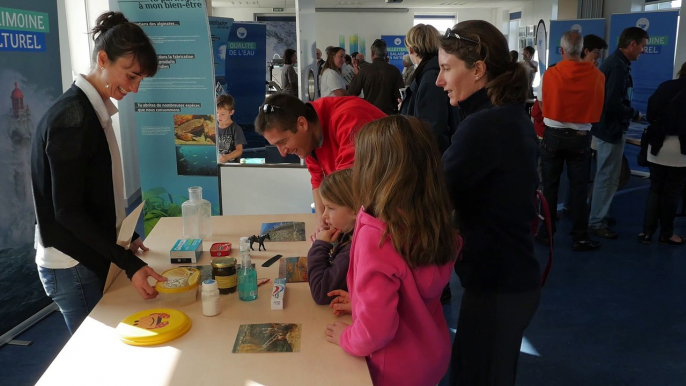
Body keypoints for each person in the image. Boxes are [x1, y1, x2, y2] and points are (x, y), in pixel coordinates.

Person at [30, 11, 166, 334]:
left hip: (85, 255)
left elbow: (90, 191)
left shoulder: (90, 111)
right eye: (130, 76)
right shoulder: (72, 119)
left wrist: (122, 238)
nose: (134, 88)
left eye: (139, 81)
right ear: (103, 59)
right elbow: (67, 212)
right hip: (72, 263)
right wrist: (128, 263)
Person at [436, 21, 541, 384]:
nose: (439, 80)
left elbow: (428, 195)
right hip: (505, 282)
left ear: (478, 69)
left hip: (500, 287)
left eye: (447, 68)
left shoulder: (485, 126)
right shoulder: (506, 116)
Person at [324, 115, 460, 386]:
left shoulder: (378, 236)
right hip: (430, 356)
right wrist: (362, 305)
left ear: (372, 170)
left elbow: (376, 331)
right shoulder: (432, 219)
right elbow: (410, 296)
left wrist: (346, 336)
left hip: (392, 370)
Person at [254, 93, 385, 230]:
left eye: (283, 142)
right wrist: (321, 221)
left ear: (302, 124)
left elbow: (346, 186)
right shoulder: (310, 139)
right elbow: (318, 179)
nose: (283, 152)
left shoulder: (348, 116)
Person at [534, 30, 605, 252]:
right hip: (580, 138)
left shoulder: (550, 74)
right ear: (583, 50)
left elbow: (542, 106)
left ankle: (547, 234)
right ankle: (580, 237)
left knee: (550, 187)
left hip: (553, 136)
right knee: (579, 188)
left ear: (562, 50)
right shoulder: (597, 76)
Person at [589, 26, 648, 239]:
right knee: (607, 177)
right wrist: (633, 114)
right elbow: (612, 104)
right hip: (610, 130)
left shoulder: (617, 63)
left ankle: (598, 214)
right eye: (642, 46)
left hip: (606, 128)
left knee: (607, 176)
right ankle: (596, 221)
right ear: (632, 44)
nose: (643, 50)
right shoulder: (617, 67)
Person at [637, 61, 686, 245]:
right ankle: (667, 234)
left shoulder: (665, 86)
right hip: (680, 150)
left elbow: (651, 115)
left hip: (656, 145)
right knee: (672, 193)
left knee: (655, 189)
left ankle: (647, 232)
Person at [401, 23, 461, 154]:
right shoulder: (434, 70)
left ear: (411, 49)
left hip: (432, 156)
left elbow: (433, 128)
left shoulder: (431, 76)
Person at [307, 169, 355, 305]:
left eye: (330, 208)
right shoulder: (348, 233)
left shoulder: (352, 250)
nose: (324, 216)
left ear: (356, 211)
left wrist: (319, 246)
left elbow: (321, 292)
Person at [348, 39, 404, 115]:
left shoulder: (364, 71)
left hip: (370, 113)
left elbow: (352, 92)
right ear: (386, 54)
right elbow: (400, 95)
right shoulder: (394, 71)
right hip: (389, 115)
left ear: (372, 53)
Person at [216, 94, 247, 163]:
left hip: (231, 168)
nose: (219, 116)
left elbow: (239, 150)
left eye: (223, 114)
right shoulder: (212, 127)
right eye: (217, 112)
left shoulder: (236, 129)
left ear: (231, 112)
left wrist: (226, 157)